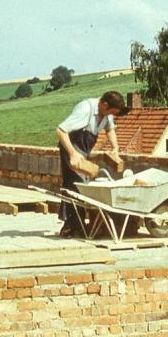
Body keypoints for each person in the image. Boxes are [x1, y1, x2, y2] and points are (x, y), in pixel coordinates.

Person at [56, 90, 125, 236]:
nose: (110, 115)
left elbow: (110, 129)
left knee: (79, 185)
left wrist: (115, 148)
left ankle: (72, 226)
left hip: (83, 151)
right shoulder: (85, 108)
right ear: (104, 104)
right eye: (110, 112)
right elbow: (61, 131)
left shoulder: (106, 113)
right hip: (71, 148)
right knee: (76, 185)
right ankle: (73, 226)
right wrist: (73, 154)